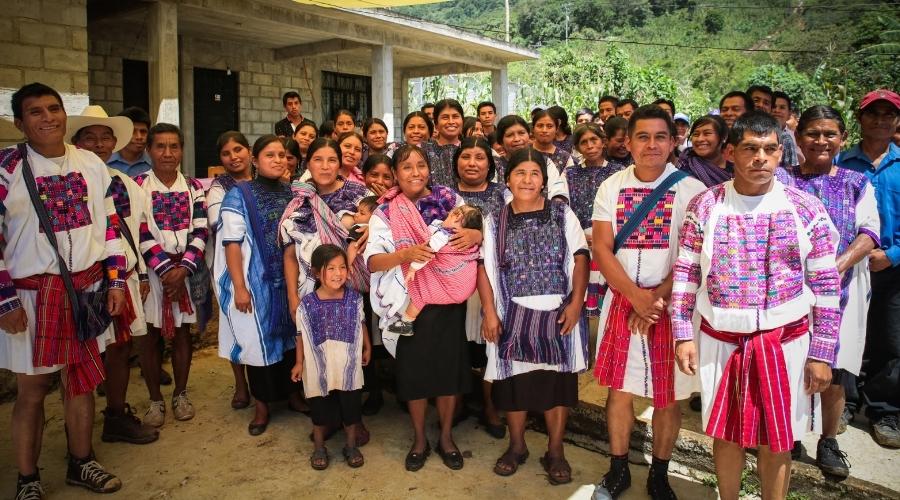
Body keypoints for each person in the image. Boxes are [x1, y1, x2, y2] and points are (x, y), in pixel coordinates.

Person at [672, 111, 840, 500]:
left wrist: (821, 352)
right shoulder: (705, 206)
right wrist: (683, 335)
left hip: (785, 343)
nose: (760, 158)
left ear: (782, 153)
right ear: (731, 152)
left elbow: (826, 284)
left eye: (769, 149)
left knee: (777, 439)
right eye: (750, 148)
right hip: (721, 342)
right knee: (726, 433)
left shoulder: (805, 207)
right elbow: (685, 276)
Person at [1, 82, 127, 497]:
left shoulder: (90, 163)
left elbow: (109, 224)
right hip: (32, 296)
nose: (47, 117)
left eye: (53, 109)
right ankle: (27, 478)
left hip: (87, 290)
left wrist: (115, 279)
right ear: (20, 122)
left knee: (82, 381)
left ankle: (81, 461)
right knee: (32, 390)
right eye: (35, 112)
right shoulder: (6, 169)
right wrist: (4, 301)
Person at [591, 105, 706, 499]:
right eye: (643, 136)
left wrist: (655, 298)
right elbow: (603, 250)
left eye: (661, 137)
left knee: (668, 395)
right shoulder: (611, 187)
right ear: (628, 141)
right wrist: (634, 295)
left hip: (671, 307)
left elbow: (696, 256)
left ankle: (659, 473)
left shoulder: (693, 191)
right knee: (619, 391)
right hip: (624, 301)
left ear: (674, 142)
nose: (652, 145)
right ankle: (618, 468)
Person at [776, 105, 880, 477]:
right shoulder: (782, 179)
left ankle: (829, 441)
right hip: (787, 291)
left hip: (842, 289)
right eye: (812, 134)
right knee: (791, 364)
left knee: (834, 368)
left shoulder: (856, 182)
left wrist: (832, 269)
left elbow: (869, 233)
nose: (821, 141)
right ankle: (790, 433)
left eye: (829, 134)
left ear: (843, 139)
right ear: (798, 138)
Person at [365, 144, 481, 471]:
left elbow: (476, 230)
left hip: (447, 302)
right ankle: (419, 438)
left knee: (448, 373)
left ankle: (445, 436)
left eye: (421, 165)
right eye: (406, 167)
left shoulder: (448, 200)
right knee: (413, 375)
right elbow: (373, 262)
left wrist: (473, 234)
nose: (415, 172)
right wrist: (404, 255)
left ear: (429, 168)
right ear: (395, 174)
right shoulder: (385, 212)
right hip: (409, 304)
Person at [478, 147, 589, 485]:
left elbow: (581, 257)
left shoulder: (561, 213)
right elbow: (483, 267)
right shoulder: (494, 219)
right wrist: (488, 312)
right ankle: (517, 446)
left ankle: (556, 451)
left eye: (534, 173)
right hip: (511, 313)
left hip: (559, 313)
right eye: (520, 173)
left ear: (544, 179)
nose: (527, 180)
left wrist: (575, 304)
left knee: (557, 388)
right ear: (507, 178)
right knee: (513, 386)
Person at [68, 105, 159, 445]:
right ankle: (75, 429)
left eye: (105, 137)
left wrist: (144, 274)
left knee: (121, 348)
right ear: (76, 142)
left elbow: (138, 229)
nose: (99, 144)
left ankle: (116, 416)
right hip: (88, 280)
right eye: (89, 137)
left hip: (127, 277)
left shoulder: (127, 185)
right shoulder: (70, 183)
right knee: (85, 353)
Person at [216, 135, 300, 436]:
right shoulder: (240, 194)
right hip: (257, 282)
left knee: (291, 340)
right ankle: (262, 406)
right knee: (258, 344)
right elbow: (232, 244)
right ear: (255, 159)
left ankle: (292, 395)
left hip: (290, 280)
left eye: (282, 155)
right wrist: (239, 286)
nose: (278, 160)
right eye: (270, 155)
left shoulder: (291, 192)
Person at [838, 89, 900, 448]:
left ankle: (883, 408)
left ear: (896, 121)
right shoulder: (844, 164)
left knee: (890, 340)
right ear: (859, 119)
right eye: (872, 113)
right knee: (849, 333)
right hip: (850, 266)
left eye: (887, 114)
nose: (880, 119)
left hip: (892, 268)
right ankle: (844, 401)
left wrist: (892, 254)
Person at [135, 123, 208, 427]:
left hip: (186, 272)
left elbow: (202, 228)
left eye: (174, 146)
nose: (167, 153)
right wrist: (166, 271)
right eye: (160, 147)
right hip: (152, 274)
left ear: (181, 149)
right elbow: (137, 231)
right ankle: (154, 399)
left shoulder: (193, 188)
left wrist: (184, 269)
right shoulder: (136, 185)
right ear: (149, 150)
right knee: (150, 336)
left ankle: (180, 393)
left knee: (182, 334)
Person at [292, 244, 372, 470]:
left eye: (343, 267)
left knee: (351, 408)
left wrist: (367, 347)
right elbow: (301, 335)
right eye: (331, 268)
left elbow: (361, 323)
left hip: (348, 364)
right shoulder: (307, 304)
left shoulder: (355, 298)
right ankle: (319, 447)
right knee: (318, 408)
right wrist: (299, 363)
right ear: (317, 273)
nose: (338, 273)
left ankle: (350, 445)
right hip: (319, 366)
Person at [206, 131, 254, 411]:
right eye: (226, 153)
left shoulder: (264, 180)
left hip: (262, 263)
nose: (234, 157)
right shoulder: (219, 187)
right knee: (235, 323)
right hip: (231, 264)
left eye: (238, 150)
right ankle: (240, 384)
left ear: (249, 151)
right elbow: (219, 222)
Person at [387, 204, 483, 335]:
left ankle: (405, 324)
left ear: (457, 216)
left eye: (449, 215)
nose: (445, 218)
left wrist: (412, 269)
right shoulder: (470, 240)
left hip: (452, 288)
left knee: (421, 296)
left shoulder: (444, 235)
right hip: (467, 286)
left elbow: (427, 251)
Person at [567, 123, 624, 317]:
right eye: (584, 142)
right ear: (577, 147)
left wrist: (603, 237)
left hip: (609, 241)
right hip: (579, 241)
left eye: (594, 140)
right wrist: (580, 236)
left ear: (604, 142)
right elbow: (565, 209)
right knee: (581, 296)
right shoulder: (571, 174)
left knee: (607, 299)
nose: (590, 146)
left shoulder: (618, 173)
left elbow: (622, 209)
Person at [494, 114, 569, 201]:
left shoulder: (544, 162)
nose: (517, 139)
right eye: (510, 135)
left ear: (528, 135)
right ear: (501, 141)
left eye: (521, 133)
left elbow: (558, 192)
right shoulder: (496, 165)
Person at [676, 115, 732, 187]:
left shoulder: (736, 169)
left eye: (707, 133)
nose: (700, 139)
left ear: (724, 137)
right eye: (696, 134)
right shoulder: (685, 167)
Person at [421, 99, 465, 188]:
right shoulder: (422, 150)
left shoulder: (470, 148)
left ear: (462, 121)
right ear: (436, 124)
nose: (451, 122)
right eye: (445, 117)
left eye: (455, 116)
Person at [108, 106, 153, 176]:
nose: (139, 137)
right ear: (120, 133)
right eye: (132, 131)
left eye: (143, 131)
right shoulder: (105, 162)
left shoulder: (156, 164)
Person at [532, 109, 578, 174]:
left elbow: (571, 182)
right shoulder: (523, 153)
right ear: (533, 128)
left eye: (549, 126)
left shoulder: (565, 158)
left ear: (556, 129)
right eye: (540, 126)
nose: (544, 130)